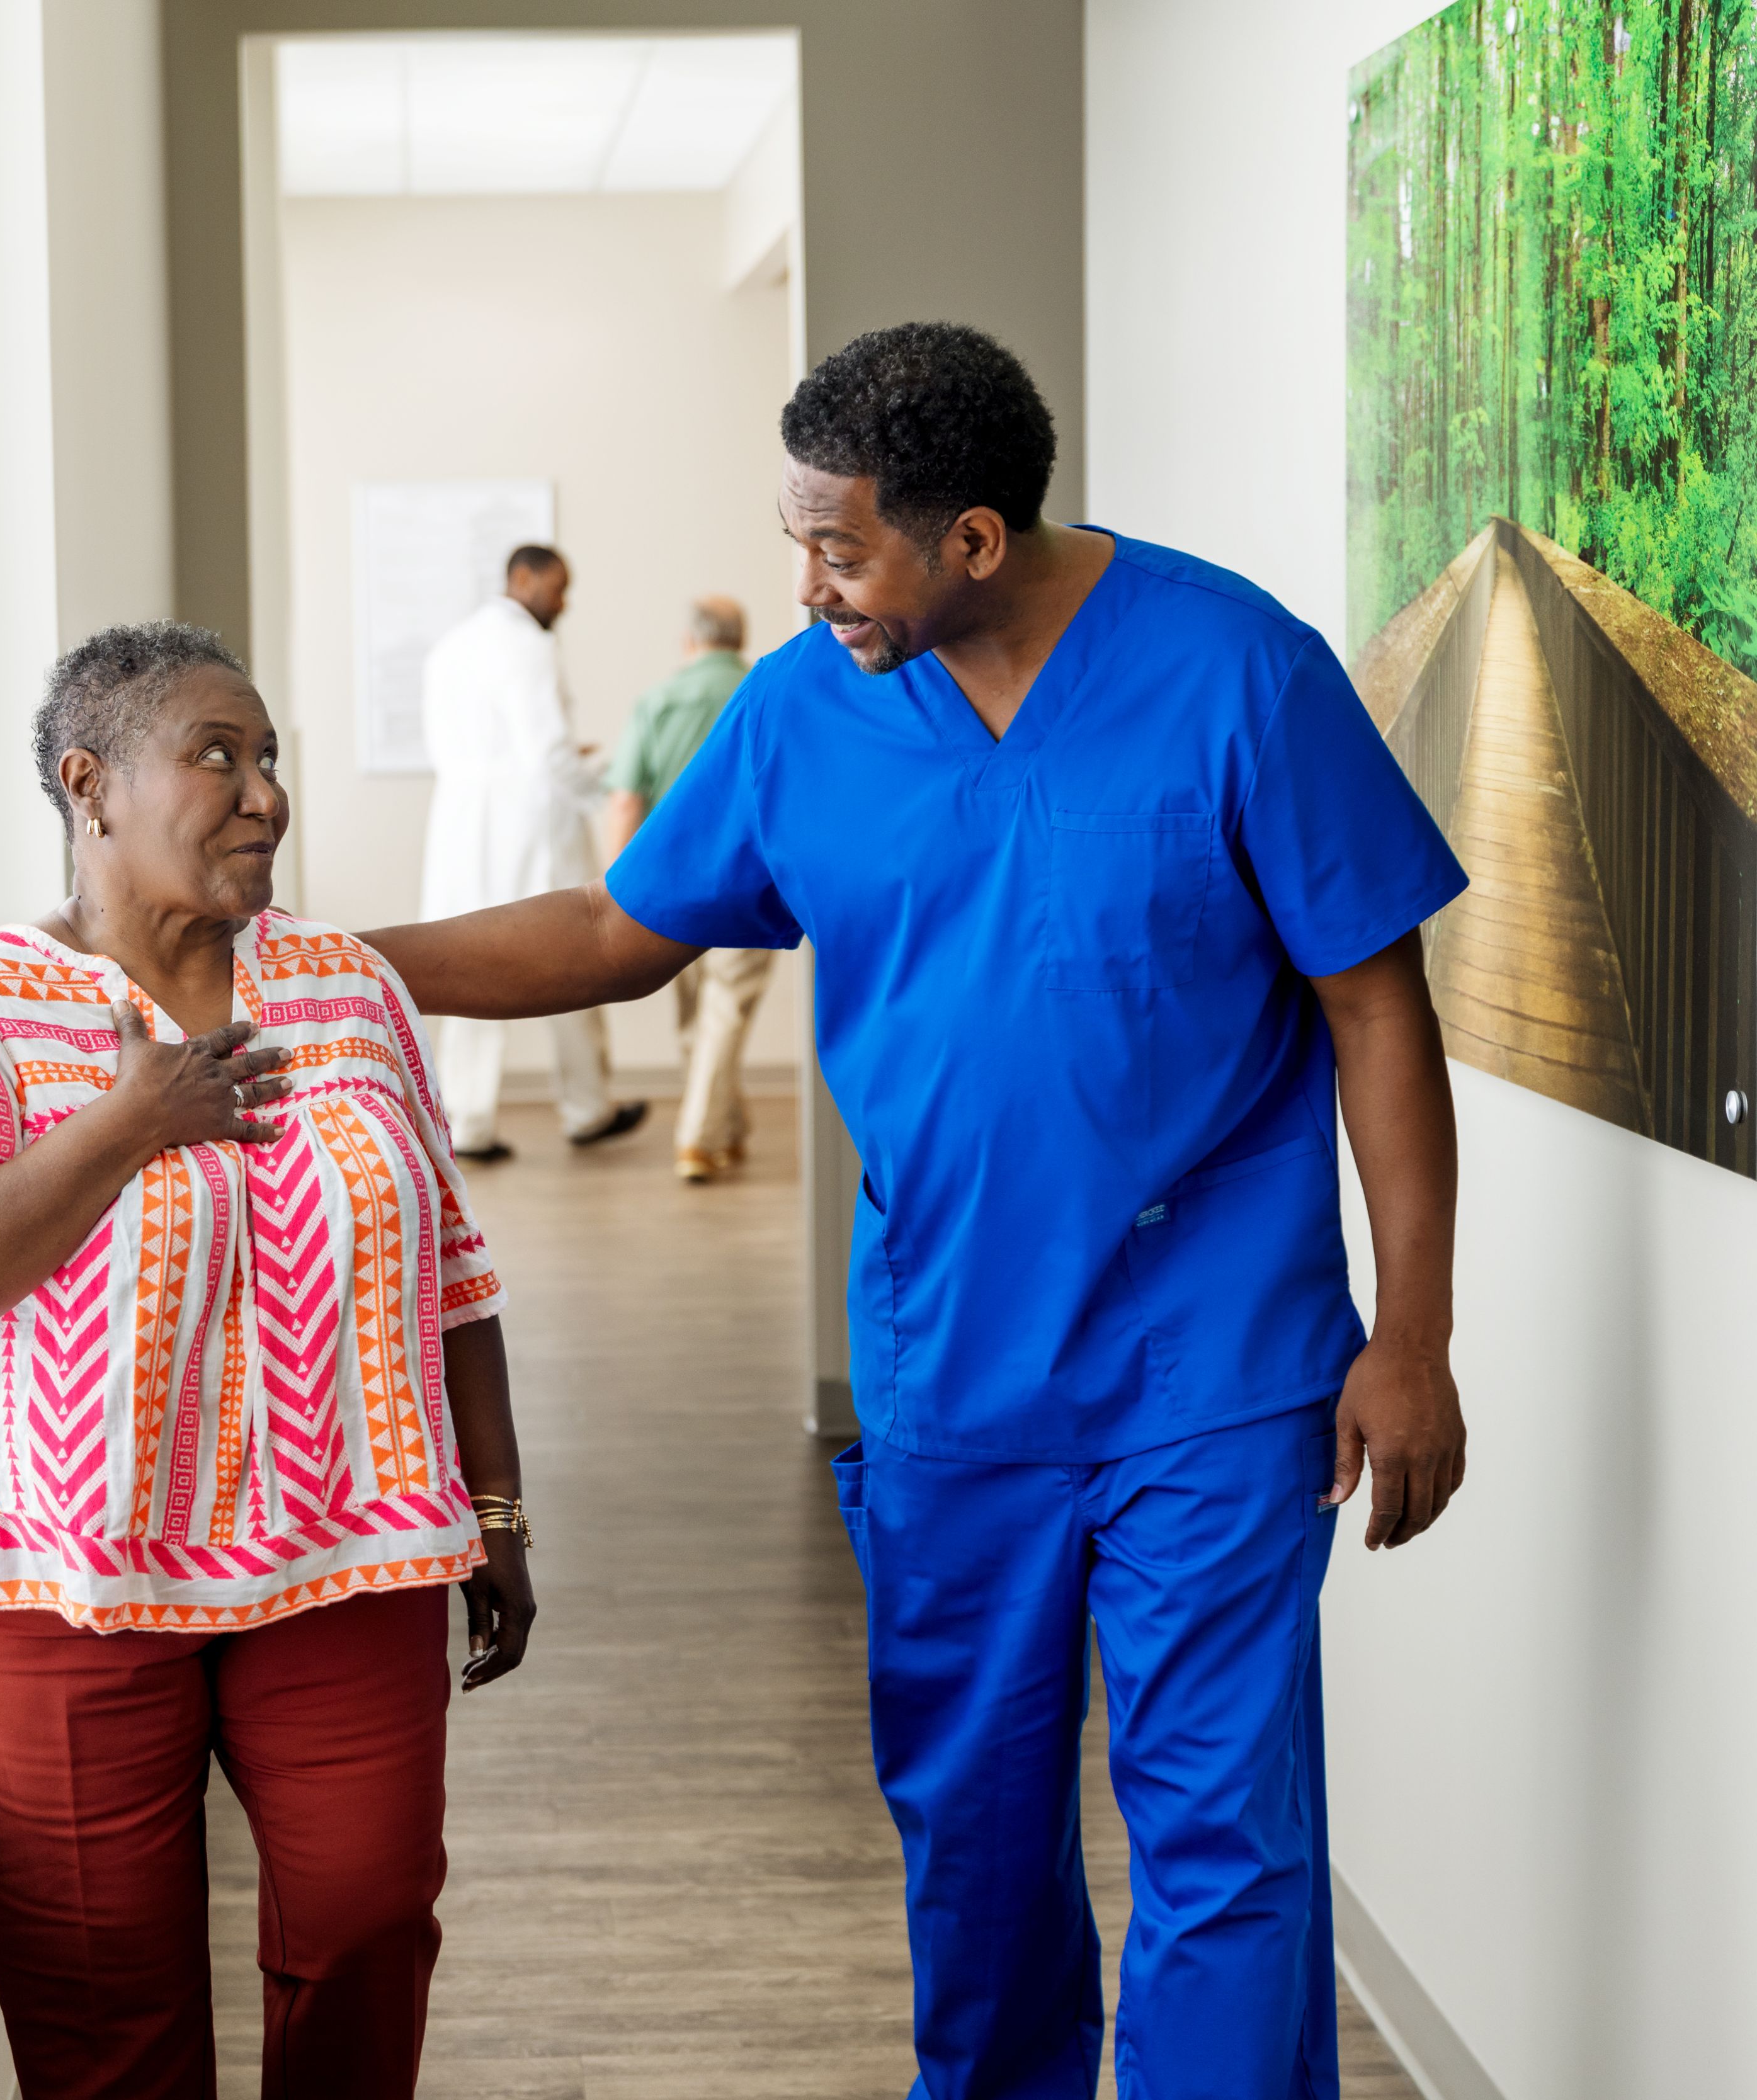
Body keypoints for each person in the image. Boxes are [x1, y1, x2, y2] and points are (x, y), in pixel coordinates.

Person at [367, 324, 1470, 2100]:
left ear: (972, 538)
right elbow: (613, 931)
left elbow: (1374, 1005)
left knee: (1227, 1844)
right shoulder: (809, 706)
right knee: (973, 1832)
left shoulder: (1238, 670)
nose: (807, 584)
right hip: (957, 1369)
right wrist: (336, 966)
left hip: (1222, 1362)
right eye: (797, 536)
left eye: (843, 545)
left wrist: (1410, 1334)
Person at [0, 622, 539, 2100]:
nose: (264, 794)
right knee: (109, 2023)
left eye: (270, 757)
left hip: (345, 1547)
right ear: (88, 784)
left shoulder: (348, 988)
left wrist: (497, 1505)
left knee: (366, 1924)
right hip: (53, 1581)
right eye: (217, 756)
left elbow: (452, 1269)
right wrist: (125, 1120)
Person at [416, 543, 646, 1161]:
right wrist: (605, 786)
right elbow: (547, 755)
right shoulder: (527, 646)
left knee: (461, 961)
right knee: (572, 956)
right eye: (558, 587)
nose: (563, 602)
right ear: (523, 579)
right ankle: (587, 1105)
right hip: (528, 823)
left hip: (462, 823)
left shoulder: (450, 646)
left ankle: (466, 1121)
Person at [597, 596, 774, 1183]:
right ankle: (702, 1136)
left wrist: (614, 890)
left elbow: (625, 799)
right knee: (724, 1011)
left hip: (668, 886)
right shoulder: (765, 692)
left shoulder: (657, 701)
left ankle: (719, 1126)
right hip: (751, 881)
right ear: (739, 636)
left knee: (697, 1014)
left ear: (689, 642)